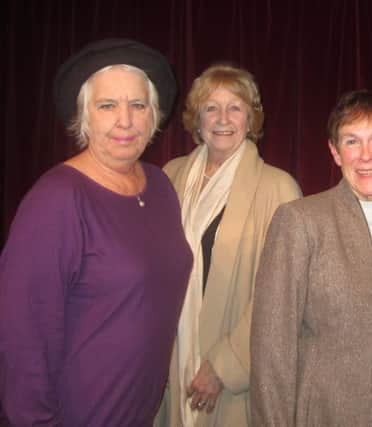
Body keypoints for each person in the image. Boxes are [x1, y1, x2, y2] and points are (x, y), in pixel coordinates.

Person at [0, 38, 193, 426]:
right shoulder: (56, 200)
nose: (125, 120)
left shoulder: (159, 186)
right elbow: (21, 342)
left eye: (138, 105)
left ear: (154, 115)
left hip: (140, 413)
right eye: (107, 105)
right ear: (84, 116)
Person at [250, 90, 372, 427]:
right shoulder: (300, 221)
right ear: (335, 152)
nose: (365, 156)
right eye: (352, 141)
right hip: (322, 416)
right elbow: (271, 347)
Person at [156, 64, 302, 427]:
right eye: (211, 107)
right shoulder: (167, 178)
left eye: (235, 107)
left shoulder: (279, 189)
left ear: (251, 118)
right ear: (196, 118)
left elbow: (281, 296)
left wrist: (225, 366)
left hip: (235, 378)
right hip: (168, 362)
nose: (222, 118)